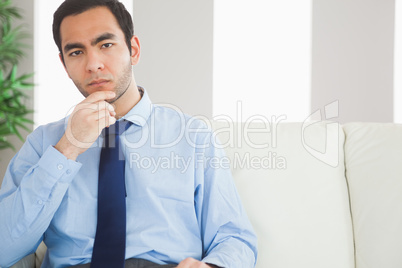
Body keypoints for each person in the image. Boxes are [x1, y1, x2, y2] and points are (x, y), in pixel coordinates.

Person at [0, 0, 257, 267]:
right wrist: (68, 148)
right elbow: (4, 249)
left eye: (106, 45)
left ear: (133, 50)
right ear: (64, 65)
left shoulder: (193, 138)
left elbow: (234, 237)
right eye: (76, 52)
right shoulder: (44, 144)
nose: (93, 64)